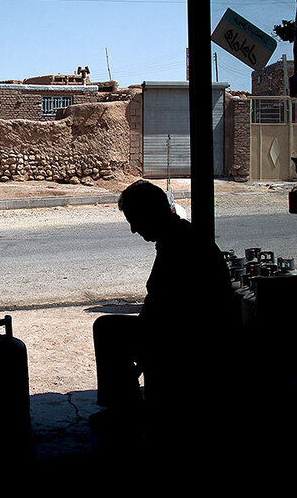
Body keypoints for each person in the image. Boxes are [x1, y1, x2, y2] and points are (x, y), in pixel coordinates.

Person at [91, 179, 238, 441]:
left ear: (151, 213)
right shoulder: (180, 237)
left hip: (187, 335)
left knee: (106, 328)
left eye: (135, 220)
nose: (134, 230)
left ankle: (126, 409)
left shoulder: (179, 246)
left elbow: (171, 309)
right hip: (183, 329)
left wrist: (146, 337)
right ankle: (126, 404)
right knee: (111, 327)